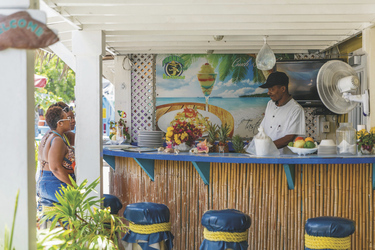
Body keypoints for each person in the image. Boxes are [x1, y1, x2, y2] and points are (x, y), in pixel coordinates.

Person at [37, 106, 75, 209]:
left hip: (47, 183)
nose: (70, 120)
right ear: (60, 123)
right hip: (54, 184)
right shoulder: (57, 140)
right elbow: (55, 168)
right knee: (86, 200)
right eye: (67, 118)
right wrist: (74, 187)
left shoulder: (50, 135)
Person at [259, 71, 305, 154]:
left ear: (283, 89)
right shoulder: (270, 104)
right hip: (266, 156)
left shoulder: (296, 109)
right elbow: (263, 129)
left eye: (272, 89)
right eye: (268, 89)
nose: (268, 93)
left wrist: (266, 146)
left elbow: (289, 138)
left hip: (284, 160)